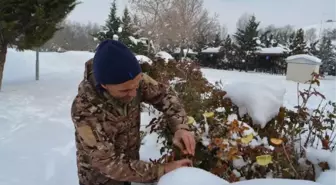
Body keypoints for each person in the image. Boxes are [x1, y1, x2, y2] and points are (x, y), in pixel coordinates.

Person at [71, 39, 196, 185]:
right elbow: (107, 163)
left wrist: (180, 127)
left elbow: (165, 95)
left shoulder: (133, 79)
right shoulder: (85, 110)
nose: (133, 94)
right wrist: (162, 170)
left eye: (136, 86)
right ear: (104, 85)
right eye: (124, 90)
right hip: (99, 180)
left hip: (129, 172)